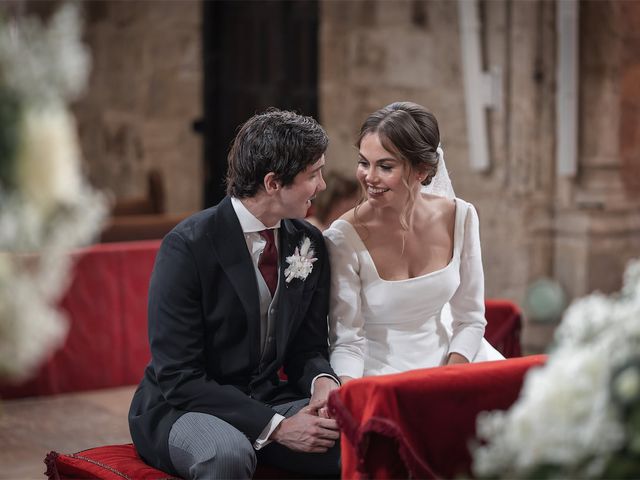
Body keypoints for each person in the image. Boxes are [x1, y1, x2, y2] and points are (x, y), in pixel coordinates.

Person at [129, 109, 341, 479]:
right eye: (313, 174)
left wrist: (323, 382)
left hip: (266, 396)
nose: (322, 185)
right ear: (273, 182)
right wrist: (277, 427)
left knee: (353, 437)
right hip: (184, 407)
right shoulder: (187, 247)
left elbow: (308, 348)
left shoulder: (309, 243)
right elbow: (180, 377)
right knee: (227, 454)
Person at [323, 101, 503, 384]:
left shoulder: (461, 217)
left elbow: (470, 319)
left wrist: (448, 377)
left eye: (385, 166)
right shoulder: (342, 238)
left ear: (421, 170)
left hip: (453, 362)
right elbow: (347, 342)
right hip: (379, 373)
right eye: (363, 162)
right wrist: (352, 396)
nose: (369, 177)